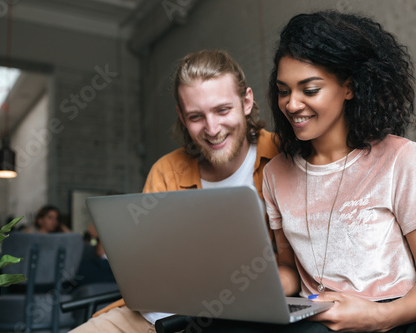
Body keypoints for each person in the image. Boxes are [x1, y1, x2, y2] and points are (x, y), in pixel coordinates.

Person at [262, 10, 416, 332]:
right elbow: (287, 265)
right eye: (283, 91)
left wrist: (379, 318)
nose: (291, 104)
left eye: (309, 90)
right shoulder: (275, 173)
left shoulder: (399, 158)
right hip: (318, 313)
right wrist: (254, 293)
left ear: (349, 88)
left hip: (395, 315)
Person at [69, 49, 279, 332]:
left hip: (241, 318)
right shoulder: (166, 171)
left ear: (247, 101)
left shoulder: (282, 156)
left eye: (222, 110)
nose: (212, 128)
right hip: (155, 316)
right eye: (196, 116)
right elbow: (142, 269)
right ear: (181, 116)